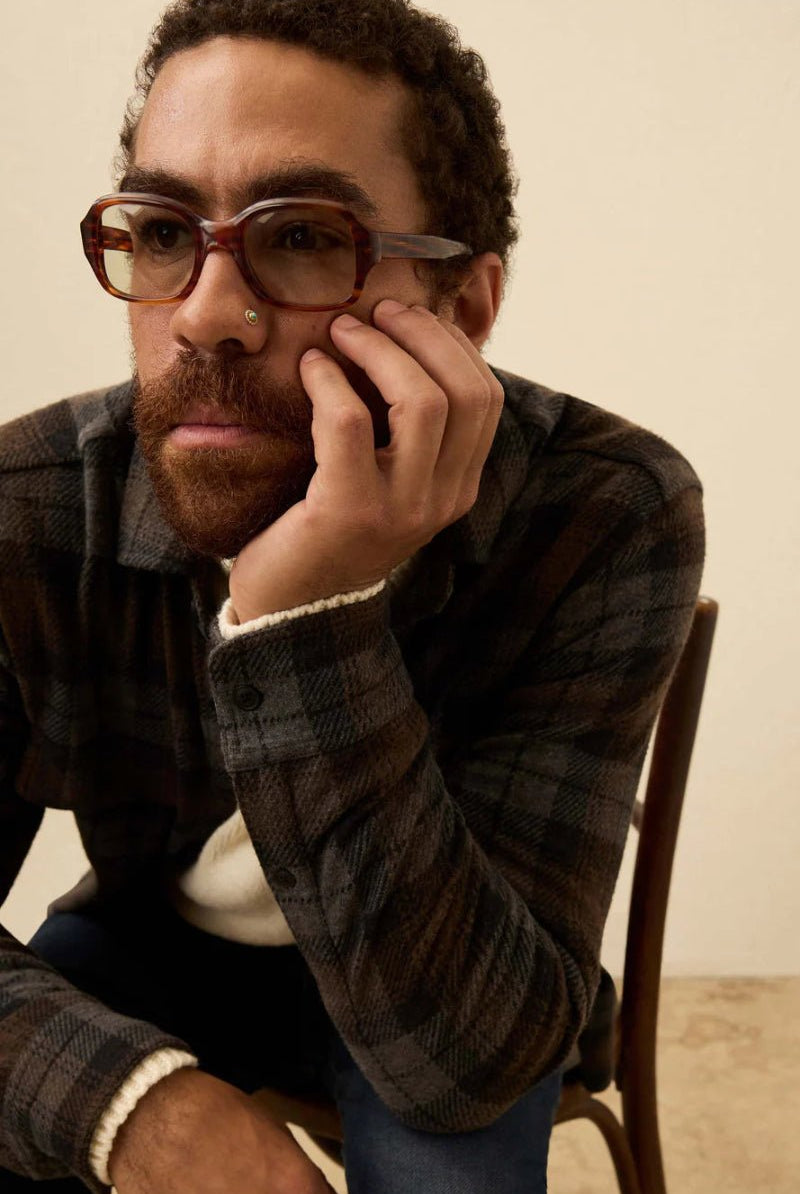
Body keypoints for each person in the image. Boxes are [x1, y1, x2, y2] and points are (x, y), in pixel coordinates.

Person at [0, 1, 705, 1191]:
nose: (207, 316)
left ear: (461, 308)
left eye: (302, 237)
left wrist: (301, 617)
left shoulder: (604, 506)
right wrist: (147, 1112)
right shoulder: (33, 507)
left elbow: (465, 1063)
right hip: (157, 938)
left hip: (460, 964)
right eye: (164, 229)